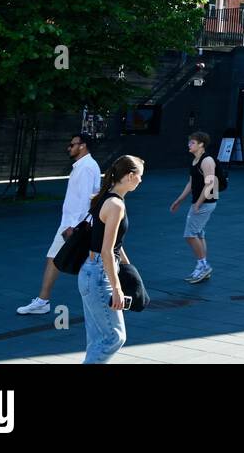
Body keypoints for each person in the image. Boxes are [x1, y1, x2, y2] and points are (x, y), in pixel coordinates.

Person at [17, 133, 102, 315]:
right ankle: (43, 300)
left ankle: (43, 301)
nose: (69, 148)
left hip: (75, 224)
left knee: (68, 260)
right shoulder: (83, 166)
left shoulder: (86, 167)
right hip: (73, 223)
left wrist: (74, 226)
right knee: (70, 260)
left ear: (83, 146)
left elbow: (86, 200)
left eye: (72, 144)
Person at [78, 155, 144, 364]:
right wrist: (117, 289)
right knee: (114, 337)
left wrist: (126, 267)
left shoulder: (108, 198)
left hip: (92, 271)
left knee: (98, 337)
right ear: (130, 176)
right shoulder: (115, 205)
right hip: (99, 274)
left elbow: (114, 244)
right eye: (140, 176)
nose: (141, 181)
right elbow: (106, 250)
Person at [170, 132, 217, 282]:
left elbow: (210, 183)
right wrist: (179, 200)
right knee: (198, 234)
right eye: (189, 143)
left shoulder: (207, 161)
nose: (189, 145)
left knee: (190, 235)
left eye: (192, 143)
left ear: (201, 144)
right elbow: (191, 183)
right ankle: (202, 266)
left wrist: (197, 204)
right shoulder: (195, 160)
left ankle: (203, 265)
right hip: (201, 202)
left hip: (205, 203)